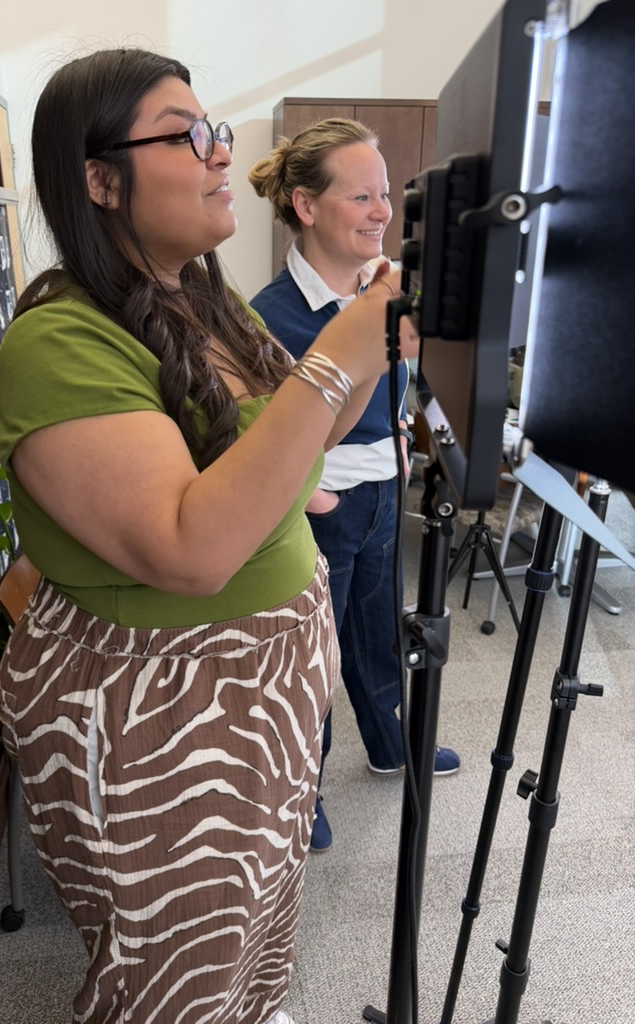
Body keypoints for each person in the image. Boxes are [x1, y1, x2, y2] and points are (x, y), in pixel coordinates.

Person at [0, 50, 415, 1024]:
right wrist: (334, 360)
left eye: (215, 130)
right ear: (98, 177)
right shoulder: (58, 339)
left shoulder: (206, 306)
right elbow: (192, 548)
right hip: (163, 710)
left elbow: (282, 464)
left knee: (254, 926)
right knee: (170, 975)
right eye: (187, 134)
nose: (221, 154)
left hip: (262, 692)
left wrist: (341, 384)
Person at [248, 118, 460, 853]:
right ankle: (300, 790)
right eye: (361, 196)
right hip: (322, 508)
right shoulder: (269, 317)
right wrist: (318, 495)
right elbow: (273, 438)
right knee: (315, 654)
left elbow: (394, 388)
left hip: (380, 495)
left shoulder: (380, 296)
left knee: (376, 634)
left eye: (386, 197)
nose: (382, 213)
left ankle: (389, 742)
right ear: (307, 207)